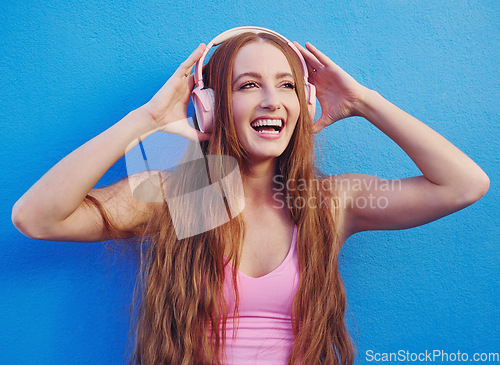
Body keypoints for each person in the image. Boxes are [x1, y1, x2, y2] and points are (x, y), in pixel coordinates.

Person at [11, 27, 489, 365]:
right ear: (210, 107)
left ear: (304, 104)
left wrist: (363, 102)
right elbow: (37, 218)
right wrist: (146, 122)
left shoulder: (324, 203)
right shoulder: (187, 191)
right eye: (247, 86)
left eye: (286, 85)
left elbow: (465, 184)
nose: (270, 101)